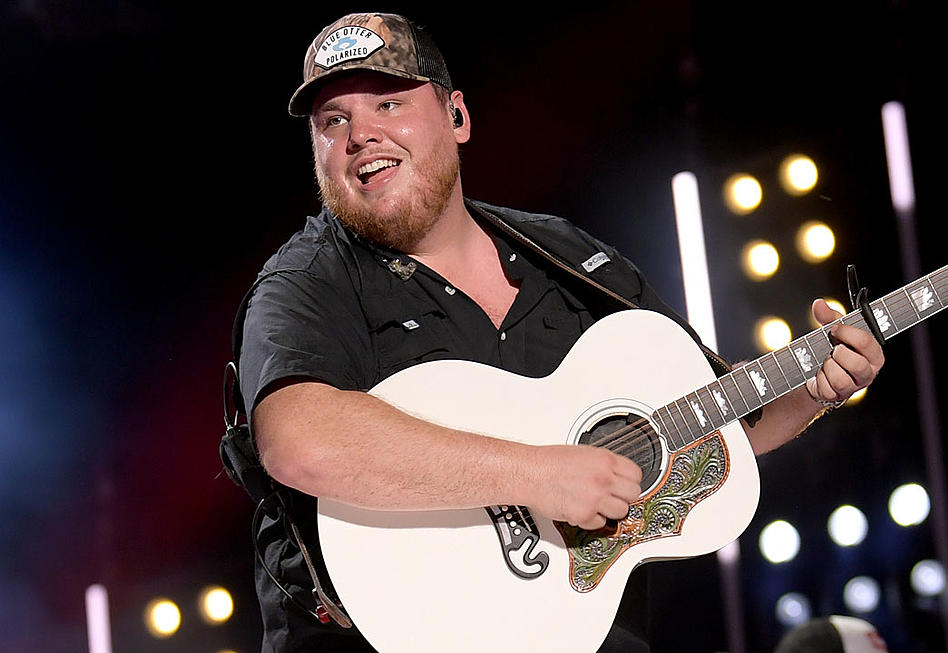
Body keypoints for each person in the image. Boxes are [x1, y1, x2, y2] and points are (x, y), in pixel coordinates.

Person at [237, 12, 886, 653]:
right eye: (333, 121)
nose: (360, 135)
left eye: (388, 103)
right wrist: (534, 475)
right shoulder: (305, 281)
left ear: (457, 116)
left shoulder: (569, 257)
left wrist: (814, 389)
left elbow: (714, 423)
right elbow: (299, 440)